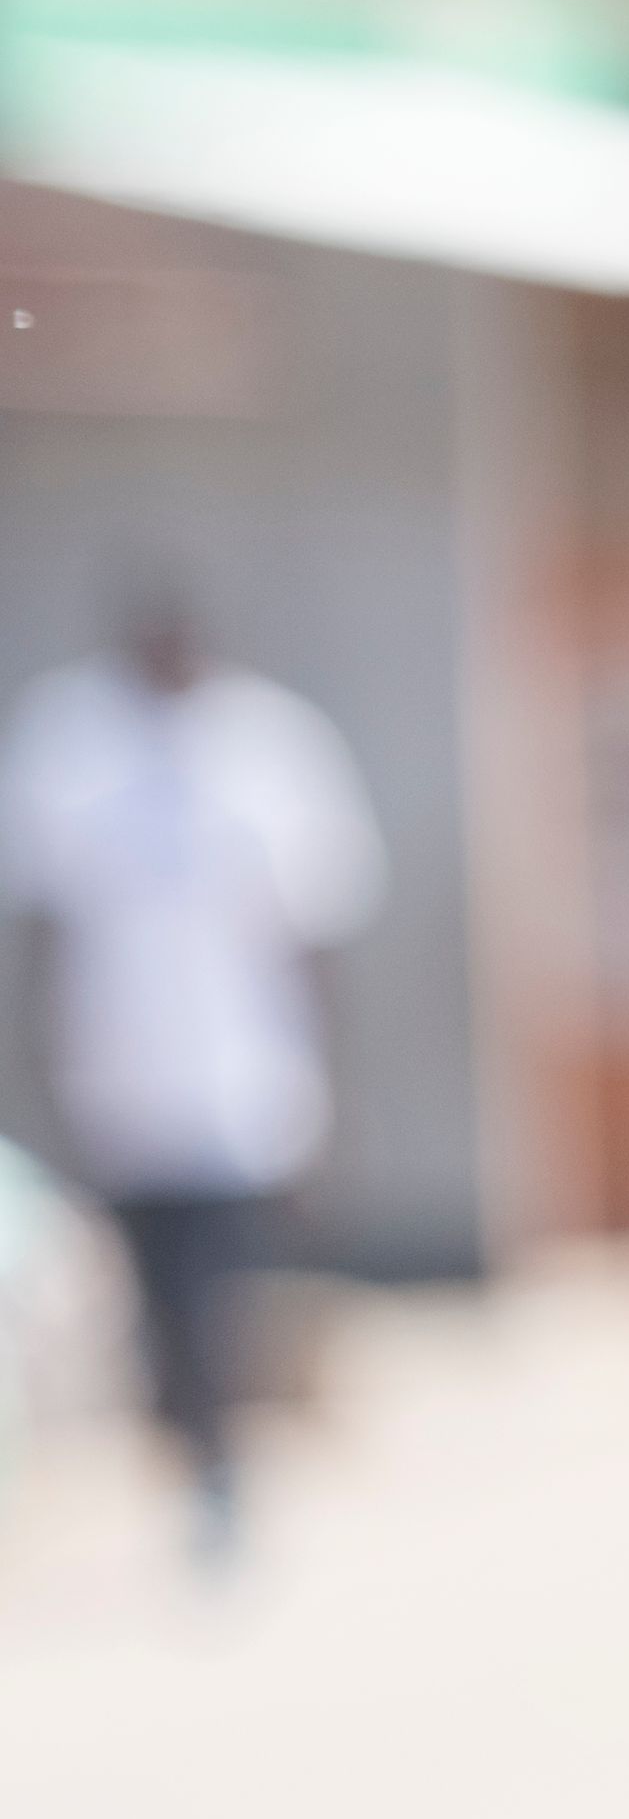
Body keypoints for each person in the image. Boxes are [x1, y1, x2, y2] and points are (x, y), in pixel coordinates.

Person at [5, 577, 382, 1572]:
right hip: (117, 1079)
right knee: (153, 1292)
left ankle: (218, 1465)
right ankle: (193, 1450)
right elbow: (42, 924)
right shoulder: (69, 741)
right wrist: (40, 1070)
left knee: (216, 1285)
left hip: (244, 1079)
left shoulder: (270, 746)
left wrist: (327, 1084)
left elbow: (316, 933)